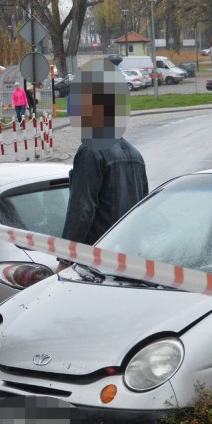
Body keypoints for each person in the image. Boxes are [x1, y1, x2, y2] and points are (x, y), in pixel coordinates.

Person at [57, 59, 148, 272]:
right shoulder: (135, 155)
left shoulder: (91, 151)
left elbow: (81, 211)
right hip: (129, 257)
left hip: (96, 262)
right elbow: (143, 211)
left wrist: (65, 260)